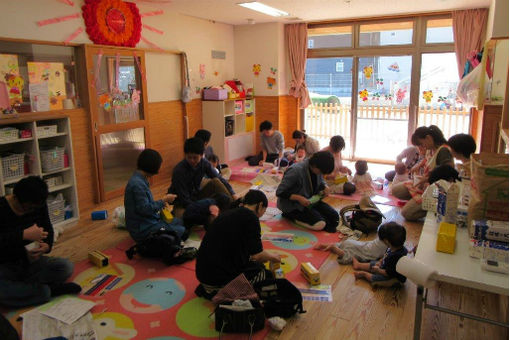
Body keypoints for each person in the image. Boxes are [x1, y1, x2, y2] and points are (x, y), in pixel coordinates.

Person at [0, 176, 81, 307]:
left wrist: (46, 246)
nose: (29, 211)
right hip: (5, 266)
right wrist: (22, 235)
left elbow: (48, 229)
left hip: (29, 263)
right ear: (15, 198)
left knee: (66, 267)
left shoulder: (38, 205)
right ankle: (47, 290)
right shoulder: (2, 208)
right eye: (27, 208)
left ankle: (28, 290)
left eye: (33, 208)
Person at [195, 190, 281, 299]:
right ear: (260, 205)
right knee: (265, 274)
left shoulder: (229, 212)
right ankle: (223, 290)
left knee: (255, 265)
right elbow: (257, 255)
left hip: (203, 275)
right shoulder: (251, 217)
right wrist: (273, 257)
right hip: (215, 280)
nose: (261, 216)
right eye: (263, 212)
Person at [392, 125, 453, 221]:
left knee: (406, 213)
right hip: (424, 183)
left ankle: (432, 208)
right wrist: (417, 167)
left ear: (428, 138)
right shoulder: (431, 149)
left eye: (421, 143)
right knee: (395, 190)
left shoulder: (443, 150)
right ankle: (417, 204)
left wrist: (427, 179)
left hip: (436, 190)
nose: (421, 147)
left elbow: (448, 172)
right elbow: (426, 159)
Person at [125, 149, 186, 242]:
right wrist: (163, 201)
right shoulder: (137, 184)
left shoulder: (140, 179)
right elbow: (144, 209)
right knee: (181, 231)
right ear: (152, 167)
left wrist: (161, 204)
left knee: (180, 222)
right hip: (142, 228)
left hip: (149, 221)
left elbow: (145, 205)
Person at [168, 138, 236, 216]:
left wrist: (233, 194)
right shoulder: (179, 170)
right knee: (183, 221)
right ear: (185, 155)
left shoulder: (204, 163)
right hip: (182, 202)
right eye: (189, 157)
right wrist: (203, 208)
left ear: (201, 155)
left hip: (197, 196)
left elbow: (219, 178)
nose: (192, 160)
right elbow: (184, 199)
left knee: (216, 181)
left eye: (195, 158)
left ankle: (233, 206)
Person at [276, 151, 339, 233]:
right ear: (315, 165)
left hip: (310, 201)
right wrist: (299, 198)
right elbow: (280, 192)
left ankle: (315, 217)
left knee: (334, 217)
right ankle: (290, 216)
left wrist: (325, 187)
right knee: (321, 224)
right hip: (293, 206)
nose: (321, 174)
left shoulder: (316, 168)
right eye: (321, 172)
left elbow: (321, 180)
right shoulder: (296, 170)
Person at [352, 222, 408, 287]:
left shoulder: (395, 257)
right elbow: (386, 255)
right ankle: (358, 265)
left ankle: (364, 274)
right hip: (387, 267)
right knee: (373, 263)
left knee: (375, 278)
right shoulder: (393, 247)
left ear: (387, 241)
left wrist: (378, 271)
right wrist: (380, 261)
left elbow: (388, 273)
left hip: (393, 276)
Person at [314, 229, 387, 265]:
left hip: (353, 243)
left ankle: (324, 245)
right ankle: (334, 248)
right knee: (346, 257)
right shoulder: (385, 245)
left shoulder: (379, 239)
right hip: (356, 249)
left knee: (341, 245)